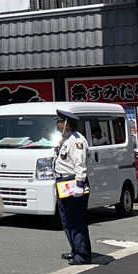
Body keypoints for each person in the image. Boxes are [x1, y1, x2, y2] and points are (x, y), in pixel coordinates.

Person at [54, 110, 92, 265]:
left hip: (73, 182)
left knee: (76, 220)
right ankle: (75, 249)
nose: (57, 124)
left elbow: (80, 164)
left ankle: (83, 254)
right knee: (67, 219)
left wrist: (80, 184)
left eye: (59, 121)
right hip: (63, 182)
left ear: (67, 124)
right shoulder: (65, 139)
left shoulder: (77, 141)